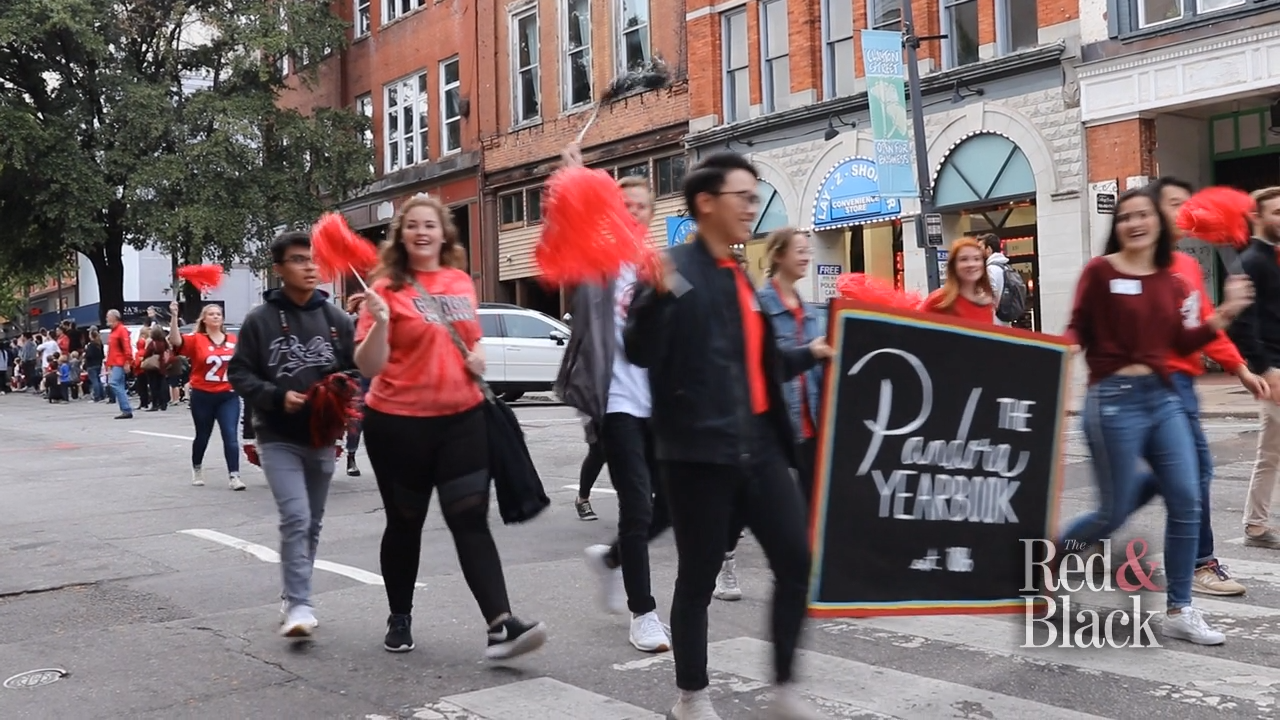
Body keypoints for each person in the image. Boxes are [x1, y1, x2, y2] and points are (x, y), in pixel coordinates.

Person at [625, 151, 833, 720]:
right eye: (743, 196)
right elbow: (637, 350)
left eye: (755, 195)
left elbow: (756, 363)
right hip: (698, 456)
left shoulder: (738, 274)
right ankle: (691, 695)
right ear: (706, 203)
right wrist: (651, 302)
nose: (752, 206)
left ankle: (785, 689)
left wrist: (809, 354)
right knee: (697, 579)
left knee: (796, 561)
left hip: (760, 449)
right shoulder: (676, 272)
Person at [354, 193, 547, 660]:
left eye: (431, 225)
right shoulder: (385, 288)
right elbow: (368, 364)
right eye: (413, 225)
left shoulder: (461, 282)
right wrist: (379, 323)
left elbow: (469, 344)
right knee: (405, 522)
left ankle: (500, 625)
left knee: (470, 519)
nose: (422, 232)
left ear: (444, 233)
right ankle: (399, 616)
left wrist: (479, 358)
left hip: (462, 419)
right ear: (401, 235)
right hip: (398, 424)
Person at [1061, 187, 1255, 647]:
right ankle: (1051, 561)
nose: (1134, 223)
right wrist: (1064, 348)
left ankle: (1180, 608)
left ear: (1157, 223)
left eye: (1143, 214)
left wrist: (1223, 315)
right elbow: (1078, 325)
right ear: (1117, 226)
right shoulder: (1100, 272)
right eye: (1125, 217)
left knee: (1187, 499)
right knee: (1112, 509)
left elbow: (1181, 344)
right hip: (1112, 398)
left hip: (1163, 396)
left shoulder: (1171, 278)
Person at [1119, 177, 1264, 596]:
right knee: (1192, 476)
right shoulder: (1134, 264)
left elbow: (1201, 327)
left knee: (1177, 479)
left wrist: (1239, 368)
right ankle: (1200, 564)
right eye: (1173, 204)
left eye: (1187, 204)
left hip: (1182, 384)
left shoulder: (1187, 266)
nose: (1184, 212)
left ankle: (1079, 542)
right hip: (1147, 386)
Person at [554, 148, 673, 654]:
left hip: (663, 406)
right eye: (622, 206)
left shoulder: (663, 268)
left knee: (667, 508)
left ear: (651, 214)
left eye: (640, 207)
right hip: (618, 402)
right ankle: (642, 612)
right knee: (635, 508)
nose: (631, 213)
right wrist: (577, 181)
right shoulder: (596, 266)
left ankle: (610, 560)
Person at [228, 231, 355, 638]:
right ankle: (301, 604)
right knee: (296, 516)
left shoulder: (337, 320)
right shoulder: (259, 320)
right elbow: (239, 373)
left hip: (322, 435)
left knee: (312, 522)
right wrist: (277, 396)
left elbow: (358, 370)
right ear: (279, 269)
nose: (310, 267)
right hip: (277, 435)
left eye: (313, 260)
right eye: (299, 260)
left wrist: (335, 390)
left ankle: (292, 594)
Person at [714, 227, 826, 604]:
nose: (806, 256)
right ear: (777, 255)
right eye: (799, 250)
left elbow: (821, 367)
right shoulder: (758, 304)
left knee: (811, 501)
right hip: (770, 423)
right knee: (746, 503)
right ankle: (725, 560)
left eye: (808, 250)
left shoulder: (810, 310)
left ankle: (801, 575)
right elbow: (758, 366)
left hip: (809, 421)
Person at [1229, 185, 1280, 550]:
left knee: (1270, 452)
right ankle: (1255, 525)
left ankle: (1256, 525)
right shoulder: (1251, 262)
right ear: (1257, 218)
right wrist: (1265, 369)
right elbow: (1241, 324)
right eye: (1276, 212)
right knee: (1269, 453)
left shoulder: (1272, 258)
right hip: (1275, 370)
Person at [169, 300, 245, 491]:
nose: (215, 317)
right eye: (211, 314)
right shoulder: (197, 339)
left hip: (227, 394)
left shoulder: (233, 340)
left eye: (218, 314)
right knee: (203, 435)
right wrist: (174, 316)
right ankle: (197, 468)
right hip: (203, 394)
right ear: (204, 318)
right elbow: (176, 341)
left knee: (230, 434)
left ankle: (234, 475)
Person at [919, 238, 995, 322]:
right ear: (953, 265)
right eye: (964, 259)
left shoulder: (988, 301)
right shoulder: (939, 300)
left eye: (976, 259)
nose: (971, 264)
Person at [343, 293, 373, 477]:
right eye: (363, 308)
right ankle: (351, 456)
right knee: (356, 421)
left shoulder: (379, 327)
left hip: (377, 378)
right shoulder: (349, 328)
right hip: (356, 378)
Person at [104, 311, 135, 419]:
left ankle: (126, 408)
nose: (106, 318)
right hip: (116, 362)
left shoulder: (120, 330)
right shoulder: (116, 331)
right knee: (119, 384)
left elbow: (127, 347)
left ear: (114, 318)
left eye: (108, 317)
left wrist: (127, 361)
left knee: (114, 383)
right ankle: (125, 409)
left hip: (119, 362)